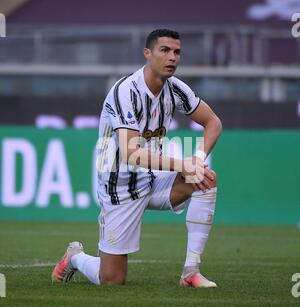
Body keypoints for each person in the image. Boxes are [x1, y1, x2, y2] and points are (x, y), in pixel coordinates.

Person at [52, 29, 222, 287]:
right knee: (111, 280)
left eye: (177, 52)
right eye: (164, 50)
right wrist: (182, 164)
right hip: (119, 187)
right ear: (147, 53)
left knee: (205, 178)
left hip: (153, 179)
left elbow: (213, 122)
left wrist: (197, 159)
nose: (172, 57)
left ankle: (190, 272)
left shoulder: (175, 89)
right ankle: (75, 257)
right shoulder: (126, 91)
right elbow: (131, 153)